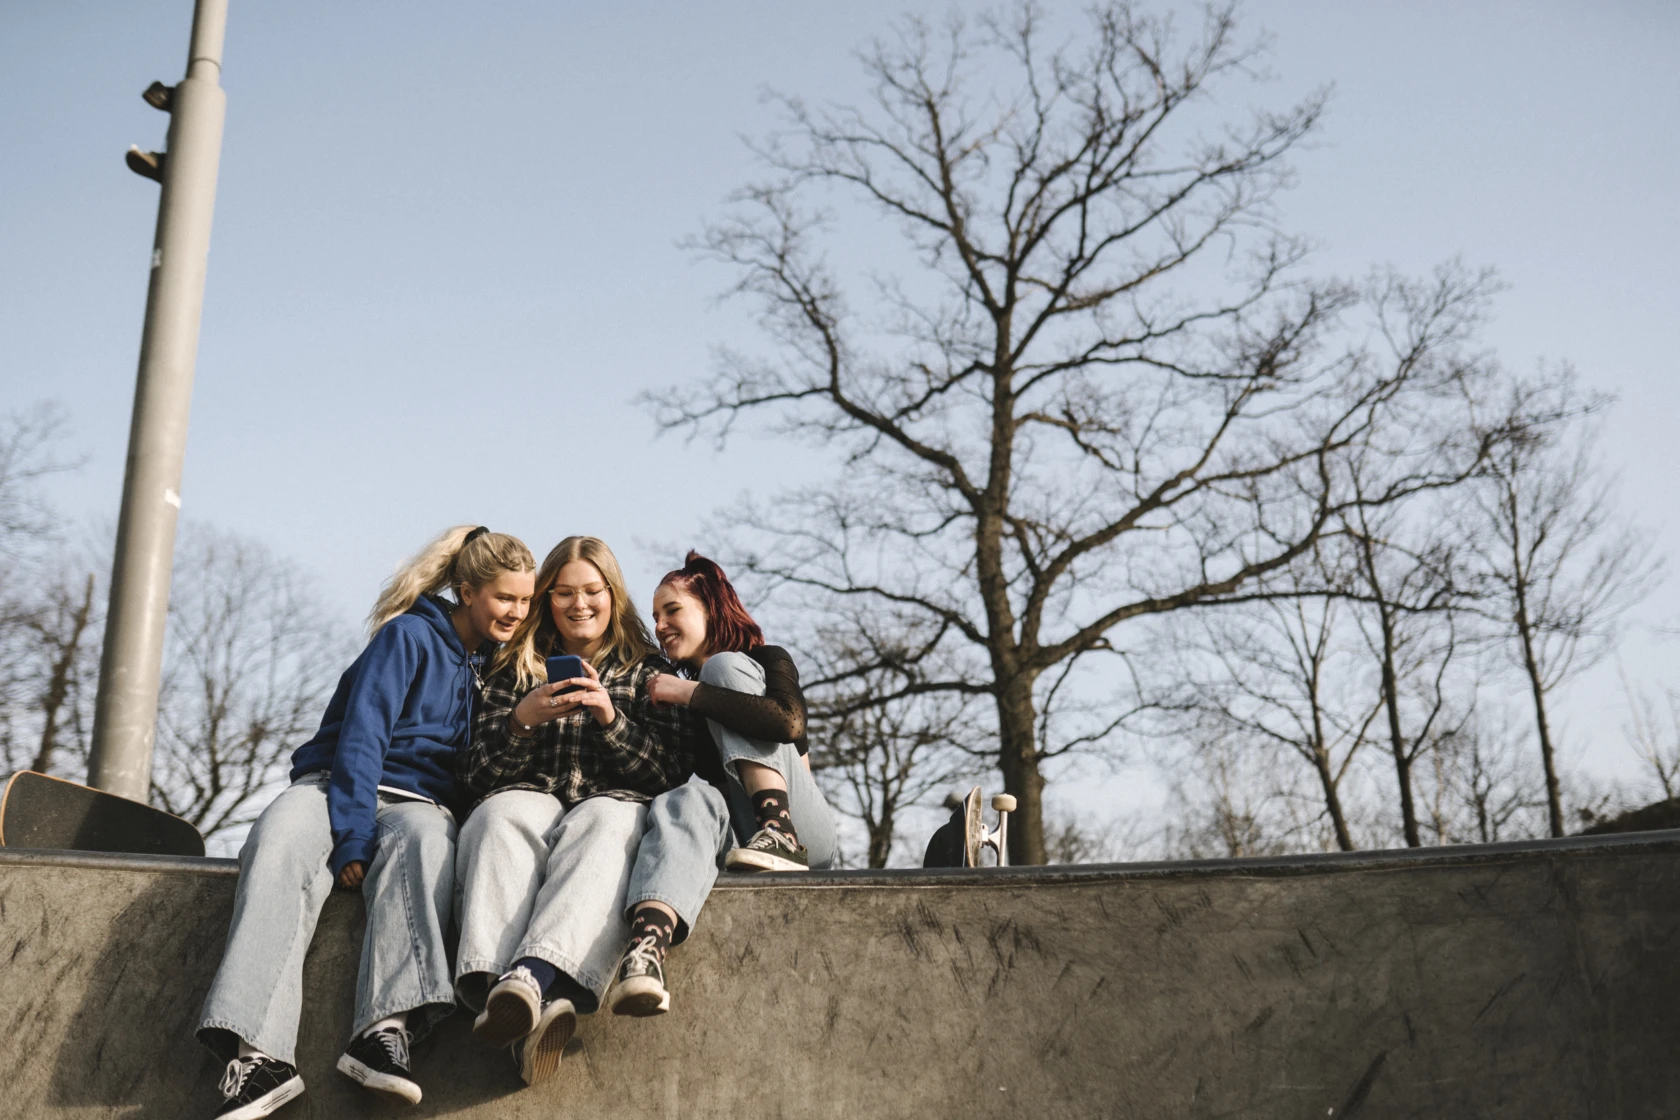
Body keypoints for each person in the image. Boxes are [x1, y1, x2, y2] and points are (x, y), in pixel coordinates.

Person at [195, 526, 535, 1120]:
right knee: (275, 844)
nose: (516, 611)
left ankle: (383, 1032)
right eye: (505, 598)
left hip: (417, 806)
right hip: (336, 784)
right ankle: (257, 1057)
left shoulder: (493, 672)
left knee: (430, 844)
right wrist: (352, 832)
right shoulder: (407, 636)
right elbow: (362, 737)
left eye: (525, 600)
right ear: (467, 591)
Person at [452, 536, 707, 1087]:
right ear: (546, 599)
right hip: (527, 799)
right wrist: (521, 720)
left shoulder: (649, 675)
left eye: (592, 590)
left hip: (608, 808)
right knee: (500, 816)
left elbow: (669, 779)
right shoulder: (511, 667)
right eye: (563, 592)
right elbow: (471, 778)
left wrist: (611, 720)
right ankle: (523, 993)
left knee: (609, 821)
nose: (578, 604)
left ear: (613, 595)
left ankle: (531, 977)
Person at [607, 550, 837, 1017]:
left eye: (673, 610)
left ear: (711, 608)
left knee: (722, 668)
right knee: (687, 797)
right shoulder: (671, 691)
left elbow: (788, 724)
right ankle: (646, 951)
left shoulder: (762, 661)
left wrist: (692, 693)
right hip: (736, 839)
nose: (661, 624)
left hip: (808, 840)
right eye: (655, 616)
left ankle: (780, 832)